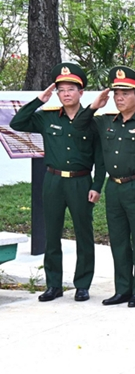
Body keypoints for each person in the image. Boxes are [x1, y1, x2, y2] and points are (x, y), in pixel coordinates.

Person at [10, 63, 105, 303]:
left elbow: (101, 159)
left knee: (84, 234)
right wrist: (39, 100)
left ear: (81, 92)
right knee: (52, 235)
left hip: (80, 182)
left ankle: (82, 284)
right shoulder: (47, 116)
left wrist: (96, 186)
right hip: (52, 181)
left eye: (71, 89)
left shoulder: (92, 121)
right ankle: (54, 285)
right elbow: (17, 123)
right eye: (61, 89)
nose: (66, 94)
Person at [73, 67, 135, 307]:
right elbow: (78, 125)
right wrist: (95, 105)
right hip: (114, 188)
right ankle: (122, 289)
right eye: (116, 93)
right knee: (119, 240)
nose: (120, 98)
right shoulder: (105, 121)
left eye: (126, 93)